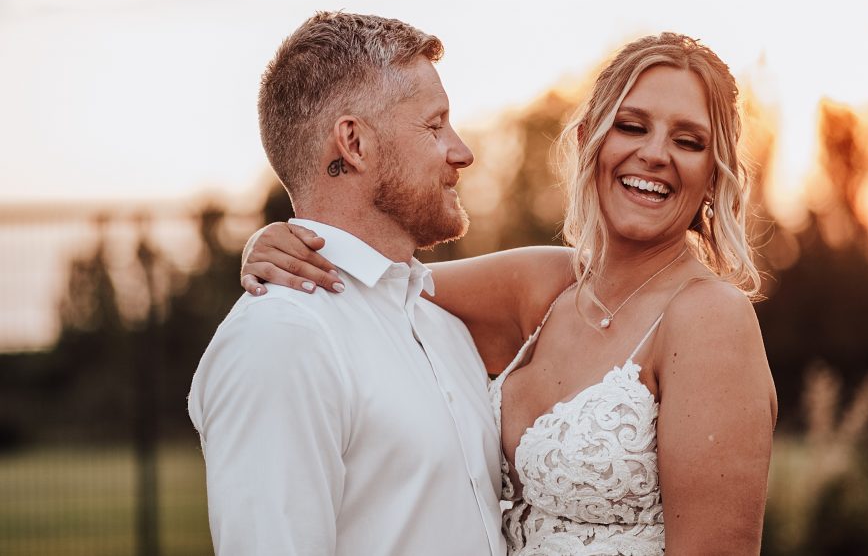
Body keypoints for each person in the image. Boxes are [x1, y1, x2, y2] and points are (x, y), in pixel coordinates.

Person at [244, 33, 778, 554]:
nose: (655, 154)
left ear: (713, 174)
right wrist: (276, 244)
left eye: (688, 141)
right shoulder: (545, 286)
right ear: (589, 141)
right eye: (632, 126)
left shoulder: (709, 317)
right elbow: (378, 284)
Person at [187, 11, 505, 555]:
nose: (462, 152)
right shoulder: (280, 338)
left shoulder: (440, 320)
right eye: (434, 126)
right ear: (354, 143)